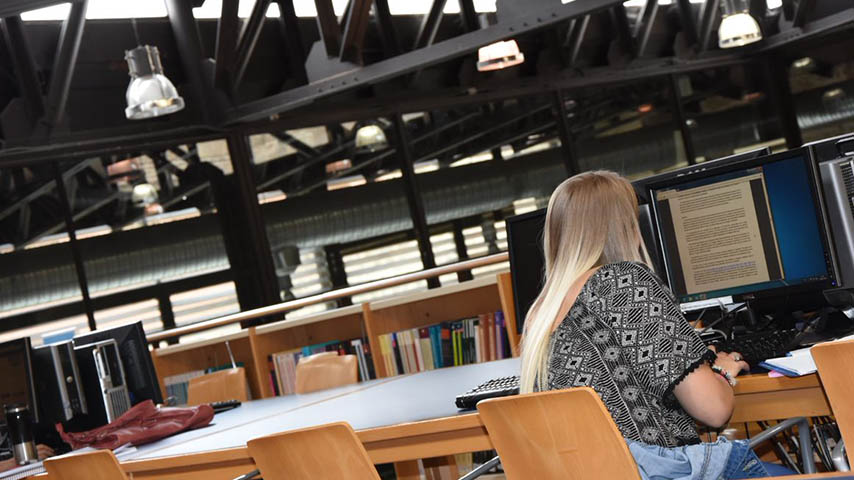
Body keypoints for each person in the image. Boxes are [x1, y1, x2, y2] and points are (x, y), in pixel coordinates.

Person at [519, 171, 794, 479]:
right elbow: (715, 411)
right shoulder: (622, 281)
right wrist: (722, 371)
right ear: (623, 225)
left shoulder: (539, 316)